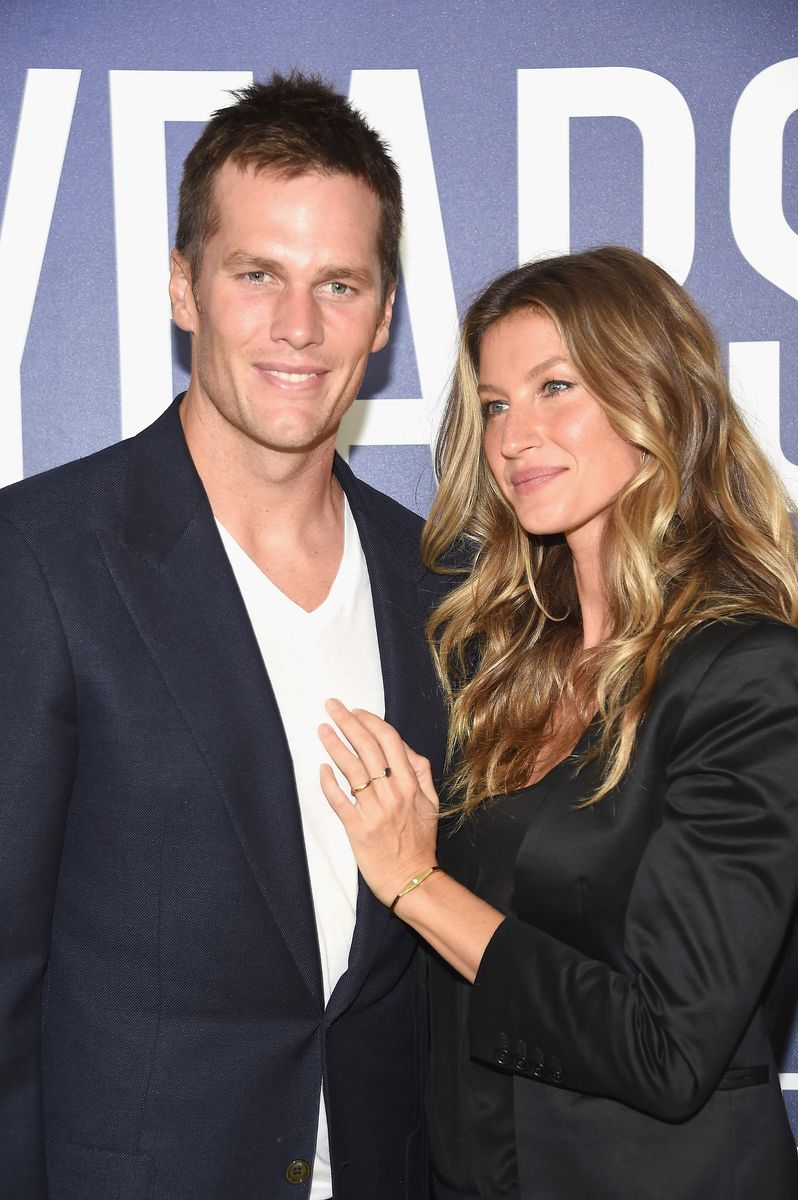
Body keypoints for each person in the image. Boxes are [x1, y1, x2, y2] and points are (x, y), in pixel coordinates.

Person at [0, 71, 446, 1200]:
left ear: (386, 312)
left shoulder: (443, 582)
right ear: (182, 286)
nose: (299, 327)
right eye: (258, 274)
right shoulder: (43, 558)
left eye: (339, 283)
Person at [318, 246, 798, 1200]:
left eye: (555, 387)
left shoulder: (749, 675)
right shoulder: (506, 662)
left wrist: (414, 879)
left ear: (655, 398)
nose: (513, 436)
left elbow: (665, 1048)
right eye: (495, 404)